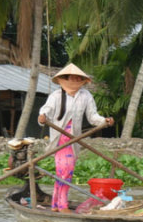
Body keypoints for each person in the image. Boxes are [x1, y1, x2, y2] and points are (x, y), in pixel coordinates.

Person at [37, 63, 114, 212]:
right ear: (65, 79)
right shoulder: (56, 95)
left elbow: (93, 117)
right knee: (64, 171)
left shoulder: (85, 95)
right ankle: (62, 205)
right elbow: (45, 111)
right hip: (59, 139)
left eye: (78, 78)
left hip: (73, 140)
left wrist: (105, 121)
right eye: (72, 78)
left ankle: (55, 204)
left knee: (65, 172)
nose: (75, 81)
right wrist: (42, 117)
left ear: (82, 81)